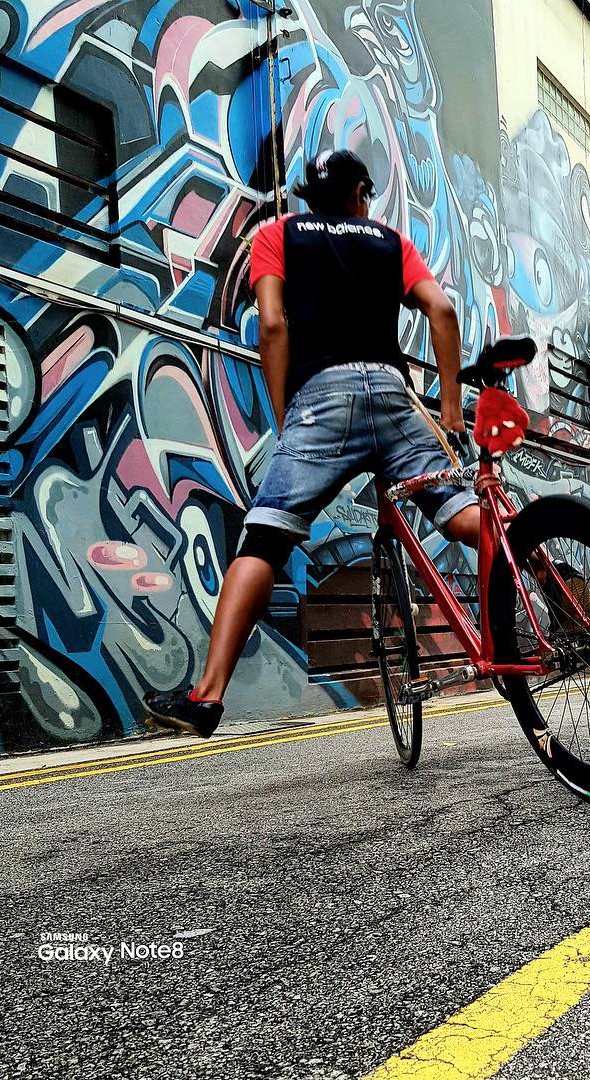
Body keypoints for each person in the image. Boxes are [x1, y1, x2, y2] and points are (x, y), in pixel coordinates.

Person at [143, 150, 479, 738]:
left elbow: (273, 326)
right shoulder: (392, 241)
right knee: (462, 515)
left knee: (264, 539)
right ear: (359, 193)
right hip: (394, 393)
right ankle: (532, 590)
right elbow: (442, 311)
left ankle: (207, 695)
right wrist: (449, 406)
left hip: (322, 400)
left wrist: (286, 417)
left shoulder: (276, 235)